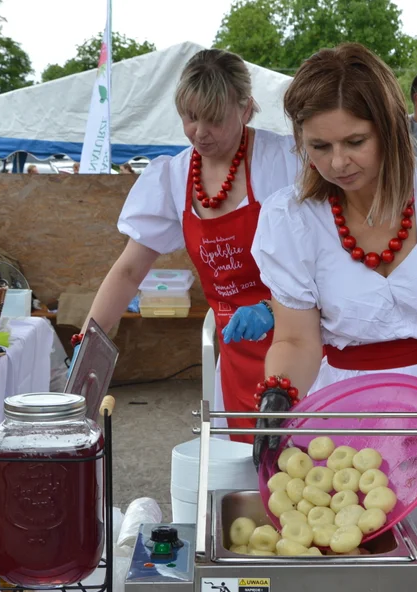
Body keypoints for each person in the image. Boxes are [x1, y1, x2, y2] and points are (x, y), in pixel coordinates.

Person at [250, 44, 417, 485]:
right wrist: (278, 393)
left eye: (355, 141)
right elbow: (297, 340)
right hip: (349, 416)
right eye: (319, 146)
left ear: (390, 129)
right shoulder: (292, 220)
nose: (337, 162)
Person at [80, 48, 300, 441]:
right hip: (235, 352)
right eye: (190, 117)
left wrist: (271, 307)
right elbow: (129, 270)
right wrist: (89, 341)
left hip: (299, 342)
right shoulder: (173, 176)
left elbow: (321, 256)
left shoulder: (283, 161)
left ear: (245, 109)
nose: (200, 132)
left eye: (214, 119)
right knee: (243, 467)